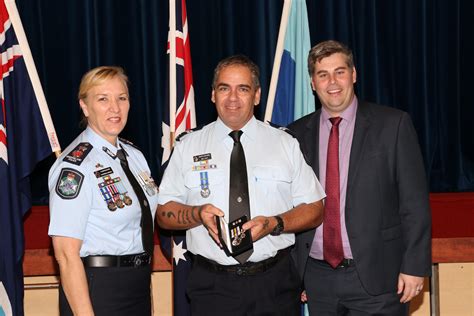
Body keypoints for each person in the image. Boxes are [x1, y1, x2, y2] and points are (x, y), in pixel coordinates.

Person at [157, 55, 325, 316]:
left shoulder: (285, 143)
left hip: (274, 285)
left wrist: (274, 223)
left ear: (257, 96)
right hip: (212, 287)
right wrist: (197, 214)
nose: (232, 98)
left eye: (243, 89)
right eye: (224, 88)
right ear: (213, 95)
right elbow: (164, 214)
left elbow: (315, 207)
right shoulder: (188, 145)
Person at [288, 40, 432, 315]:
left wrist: (414, 267)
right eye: (323, 74)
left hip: (378, 278)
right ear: (312, 83)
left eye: (340, 72)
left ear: (354, 75)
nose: (333, 82)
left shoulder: (393, 125)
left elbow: (414, 204)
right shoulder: (295, 135)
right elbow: (291, 206)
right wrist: (298, 273)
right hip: (318, 280)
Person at [48, 66, 159, 315]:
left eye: (122, 98)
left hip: (137, 284)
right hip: (97, 288)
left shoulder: (135, 156)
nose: (115, 108)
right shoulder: (75, 166)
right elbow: (66, 256)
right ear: (85, 107)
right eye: (103, 99)